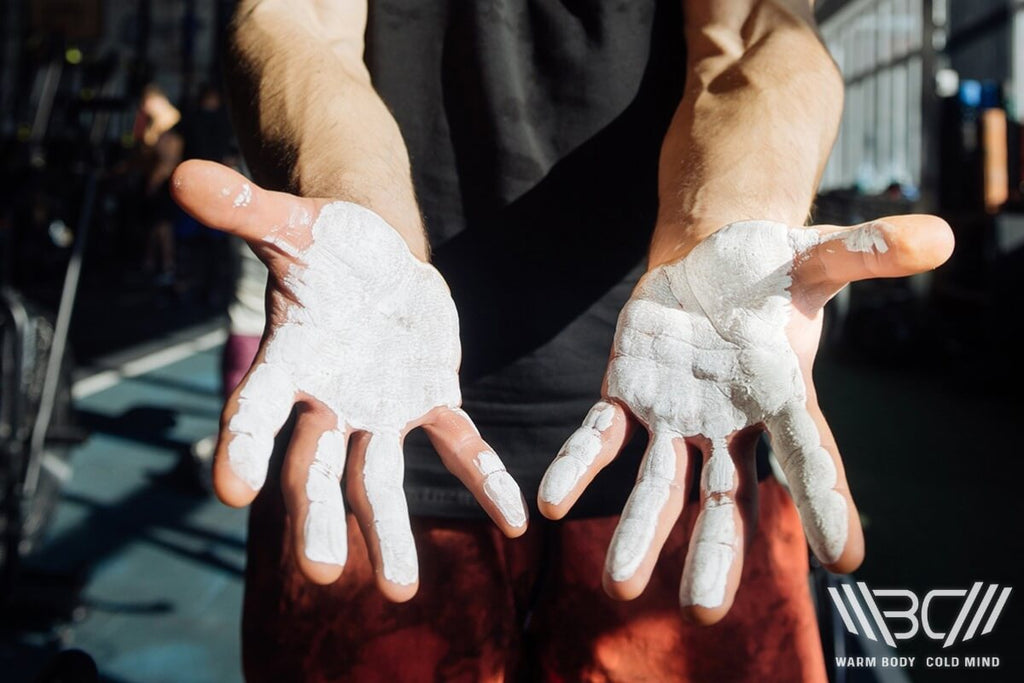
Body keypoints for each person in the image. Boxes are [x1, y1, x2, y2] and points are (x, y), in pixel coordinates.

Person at [171, 0, 954, 681]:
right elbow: (297, 14)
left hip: (678, 418)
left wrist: (729, 221)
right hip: (367, 418)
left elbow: (754, 28)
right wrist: (357, 211)